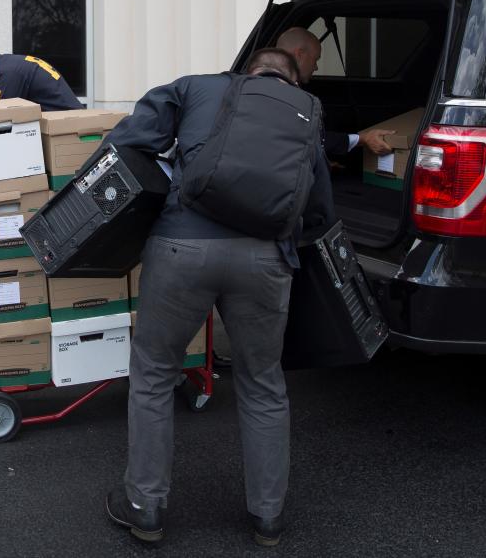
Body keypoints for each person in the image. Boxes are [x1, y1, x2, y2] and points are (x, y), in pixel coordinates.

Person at [101, 48, 335, 546]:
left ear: (245, 73)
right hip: (265, 261)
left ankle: (145, 507)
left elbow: (127, 141)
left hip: (181, 249)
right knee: (263, 383)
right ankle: (267, 517)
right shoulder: (305, 114)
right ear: (291, 81)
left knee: (154, 375)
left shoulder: (194, 87)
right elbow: (317, 208)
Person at [274, 27, 394, 157]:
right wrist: (363, 138)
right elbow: (312, 139)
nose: (316, 67)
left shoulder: (262, 86)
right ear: (299, 54)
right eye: (315, 59)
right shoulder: (282, 94)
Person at [0, 41, 84, 111]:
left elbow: (2, 119)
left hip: (66, 127)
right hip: (70, 121)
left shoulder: (7, 74)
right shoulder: (11, 65)